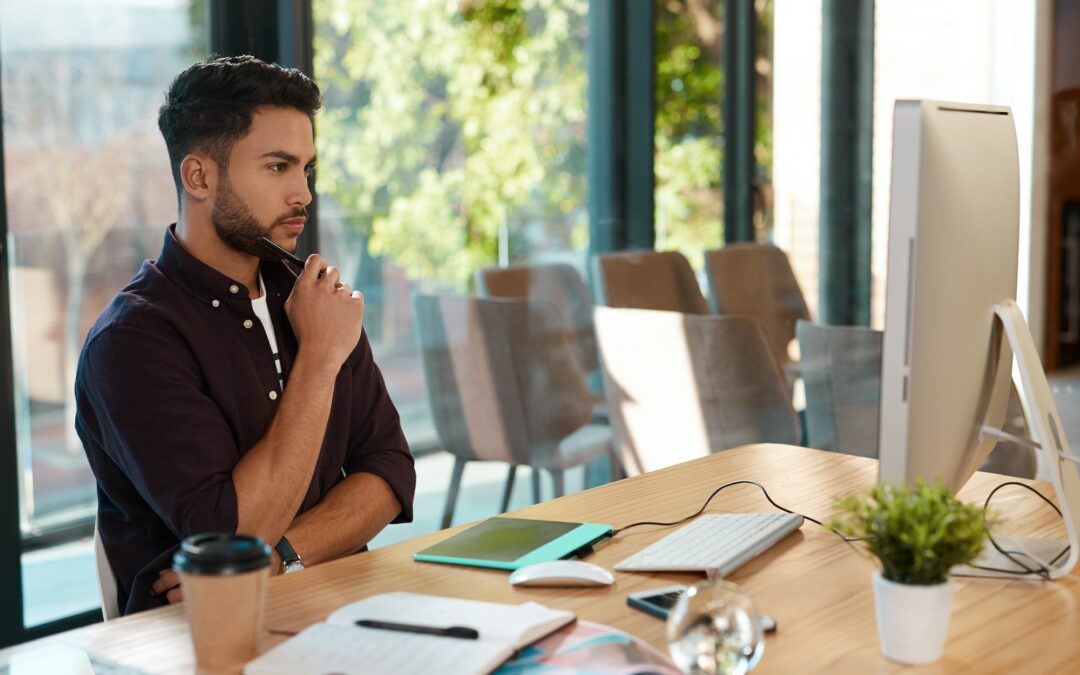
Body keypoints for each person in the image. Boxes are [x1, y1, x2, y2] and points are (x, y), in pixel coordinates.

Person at [75, 55, 415, 615]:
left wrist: (283, 556)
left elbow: (390, 471)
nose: (303, 194)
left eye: (306, 169)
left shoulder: (311, 298)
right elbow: (235, 533)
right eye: (278, 167)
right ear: (199, 176)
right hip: (193, 639)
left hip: (333, 607)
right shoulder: (133, 342)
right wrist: (321, 359)